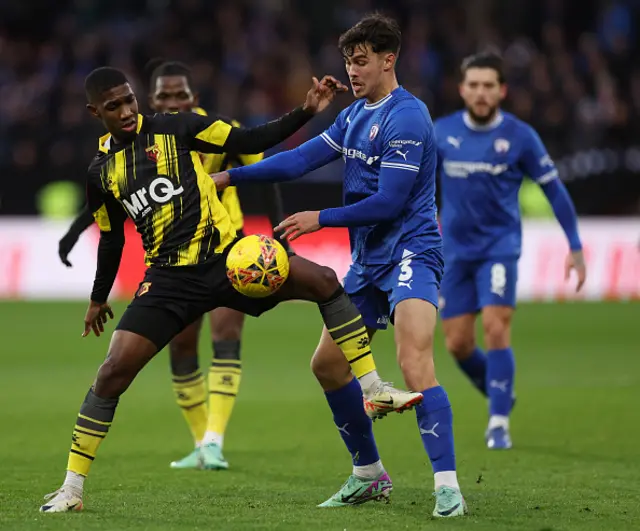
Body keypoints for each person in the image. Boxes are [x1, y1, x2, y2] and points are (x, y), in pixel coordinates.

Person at [40, 66, 389, 513]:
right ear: (95, 112)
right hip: (168, 281)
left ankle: (373, 385)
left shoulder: (175, 127)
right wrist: (97, 297)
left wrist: (306, 109)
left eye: (129, 100)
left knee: (323, 280)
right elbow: (111, 237)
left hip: (229, 262)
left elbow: (249, 142)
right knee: (111, 373)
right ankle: (71, 488)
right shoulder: (101, 171)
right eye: (114, 107)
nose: (127, 111)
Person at [213, 14, 466, 517]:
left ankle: (448, 486)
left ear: (388, 59)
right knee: (327, 365)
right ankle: (369, 474)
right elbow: (298, 159)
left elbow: (391, 201)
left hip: (411, 250)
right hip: (368, 261)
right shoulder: (353, 115)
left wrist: (319, 218)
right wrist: (230, 177)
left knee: (415, 363)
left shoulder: (408, 118)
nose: (353, 71)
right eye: (349, 61)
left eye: (362, 61)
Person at [57, 59, 292, 471]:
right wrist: (77, 229)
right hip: (173, 261)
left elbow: (264, 173)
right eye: (164, 95)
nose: (173, 100)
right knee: (182, 347)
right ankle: (202, 443)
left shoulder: (203, 129)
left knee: (225, 334)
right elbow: (114, 197)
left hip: (228, 247)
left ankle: (215, 440)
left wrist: (278, 229)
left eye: (180, 94)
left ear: (193, 98)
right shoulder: (140, 140)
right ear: (151, 101)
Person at [434, 52, 586, 450]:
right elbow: (415, 188)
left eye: (489, 86)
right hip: (453, 254)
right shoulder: (441, 133)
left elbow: (554, 189)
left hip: (499, 250)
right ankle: (502, 392)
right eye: (475, 85)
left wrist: (574, 245)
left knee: (497, 327)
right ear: (462, 90)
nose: (482, 93)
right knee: (457, 344)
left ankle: (498, 421)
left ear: (501, 90)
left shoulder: (521, 137)